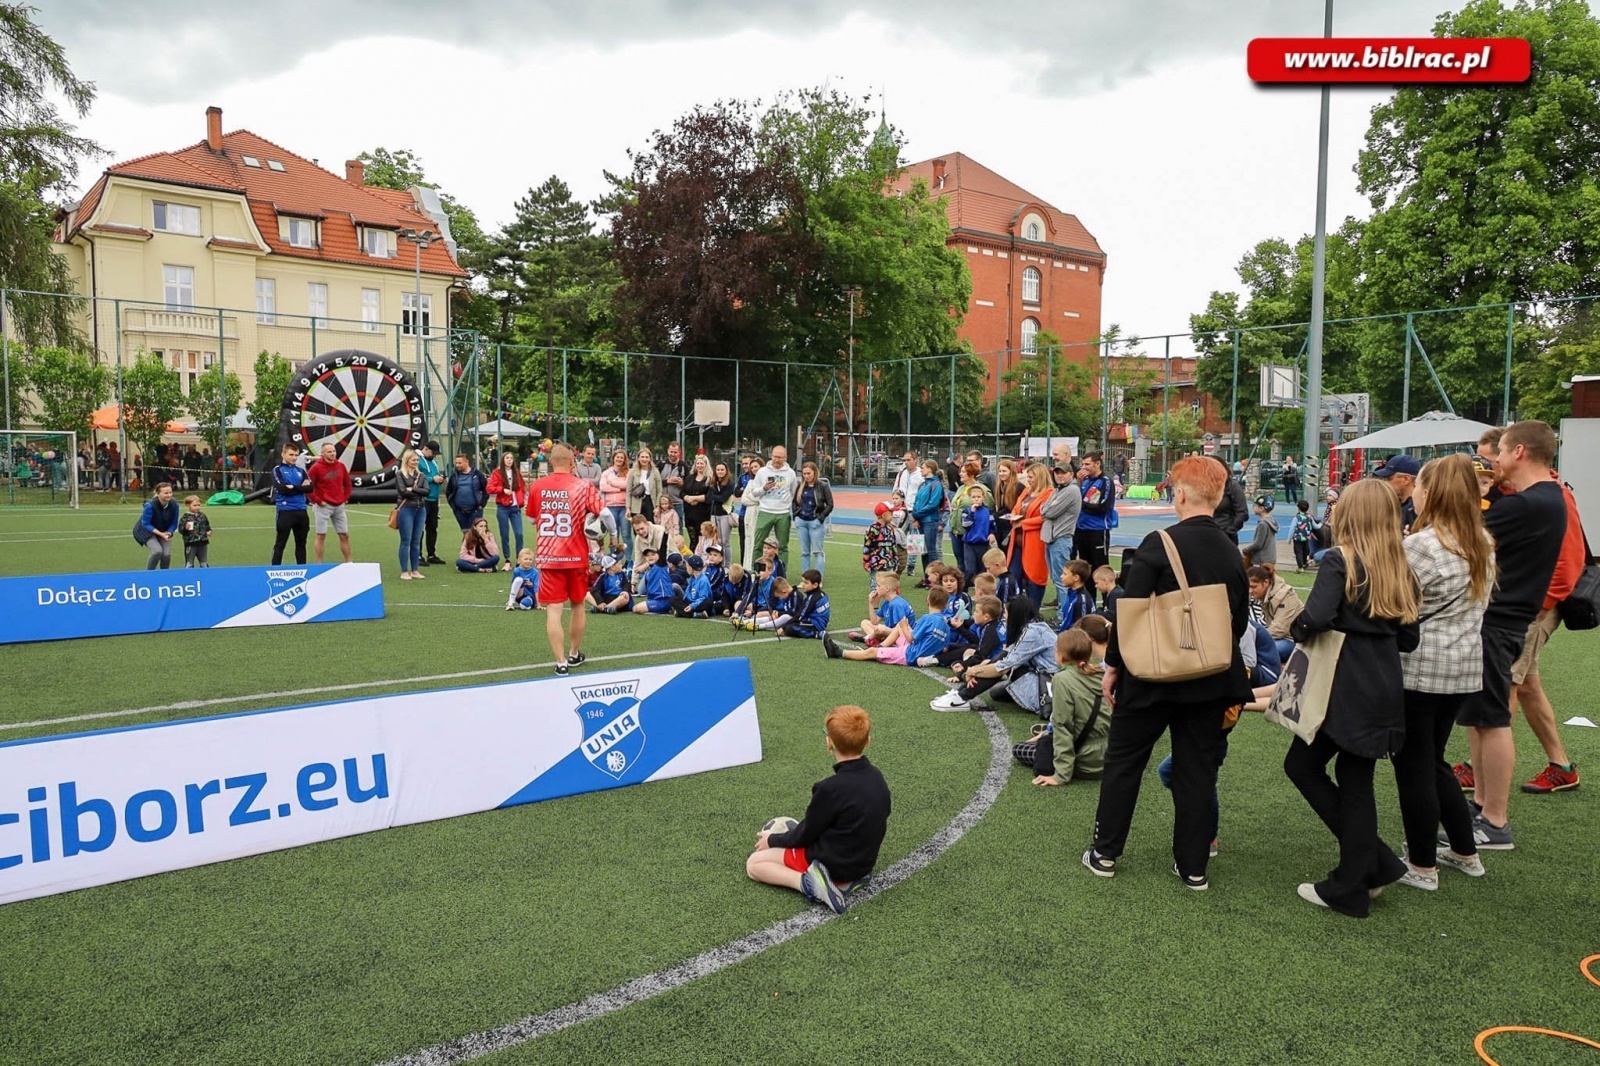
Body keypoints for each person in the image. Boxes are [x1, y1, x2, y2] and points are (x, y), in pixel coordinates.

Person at [1083, 455, 1252, 892]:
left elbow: (1130, 611)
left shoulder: (1159, 542)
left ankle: (1105, 852)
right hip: (1211, 675)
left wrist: (1114, 665)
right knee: (1197, 771)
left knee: (1124, 763)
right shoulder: (1232, 551)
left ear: (1179, 493)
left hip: (1152, 673)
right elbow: (1237, 622)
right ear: (1217, 497)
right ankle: (1193, 865)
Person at [1282, 478, 1420, 917]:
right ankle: (1370, 865)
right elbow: (1410, 638)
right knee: (1353, 776)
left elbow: (1316, 617)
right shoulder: (1402, 567)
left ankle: (1355, 880)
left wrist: (1298, 630)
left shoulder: (1342, 560)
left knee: (1305, 766)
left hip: (1343, 678)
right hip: (1382, 680)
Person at [1452, 421, 1568, 850]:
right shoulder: (1546, 498)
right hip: (1504, 619)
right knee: (1481, 719)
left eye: (1498, 452)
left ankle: (1495, 820)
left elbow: (1460, 541)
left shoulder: (1527, 505)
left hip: (1499, 621)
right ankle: (1483, 804)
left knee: (1493, 719)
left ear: (1519, 452)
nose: (1492, 461)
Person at [1388, 455, 1494, 890]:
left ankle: (1422, 864)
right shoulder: (1482, 542)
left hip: (1420, 668)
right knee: (1432, 760)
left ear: (1429, 492)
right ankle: (1464, 851)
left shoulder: (1423, 545)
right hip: (1463, 664)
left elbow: (1396, 603)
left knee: (1414, 764)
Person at [746, 705, 891, 914]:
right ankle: (850, 880)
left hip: (832, 863)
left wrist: (771, 840)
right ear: (867, 741)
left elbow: (804, 835)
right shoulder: (877, 778)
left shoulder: (829, 788)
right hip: (863, 863)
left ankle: (809, 884)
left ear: (829, 742)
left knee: (754, 864)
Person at [526, 442, 606, 675]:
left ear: (551, 461)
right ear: (573, 462)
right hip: (575, 557)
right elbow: (606, 514)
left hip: (549, 557)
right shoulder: (582, 486)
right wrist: (611, 536)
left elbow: (532, 519)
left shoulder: (538, 486)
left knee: (554, 609)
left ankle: (560, 662)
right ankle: (573, 653)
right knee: (578, 605)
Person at [929, 594, 1057, 714]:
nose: (1004, 617)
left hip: (1049, 690)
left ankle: (961, 697)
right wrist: (981, 668)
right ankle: (960, 692)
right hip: (1046, 680)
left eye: (1006, 613)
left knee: (1005, 665)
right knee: (996, 692)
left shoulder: (1032, 633)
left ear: (1015, 615)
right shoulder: (1033, 627)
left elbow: (1003, 666)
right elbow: (1004, 656)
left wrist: (973, 671)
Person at [1022, 628, 1109, 787]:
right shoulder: (1100, 672)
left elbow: (1063, 725)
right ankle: (1047, 730)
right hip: (1110, 757)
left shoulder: (1062, 679)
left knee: (1020, 749)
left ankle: (1047, 732)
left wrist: (1061, 775)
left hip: (1086, 761)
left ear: (1060, 655)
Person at [825, 587, 950, 666]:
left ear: (927, 600)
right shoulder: (946, 624)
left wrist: (905, 626)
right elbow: (944, 648)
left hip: (910, 654)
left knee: (872, 652)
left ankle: (838, 652)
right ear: (945, 605)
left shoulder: (927, 619)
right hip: (919, 651)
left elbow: (911, 639)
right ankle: (881, 645)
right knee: (898, 628)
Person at [745, 446, 799, 573]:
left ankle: (781, 572)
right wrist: (764, 488)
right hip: (765, 511)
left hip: (783, 513)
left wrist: (792, 511)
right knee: (758, 544)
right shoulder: (762, 472)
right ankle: (757, 571)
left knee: (783, 546)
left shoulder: (790, 473)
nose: (776, 459)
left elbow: (794, 493)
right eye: (774, 456)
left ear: (785, 458)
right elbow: (754, 492)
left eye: (779, 457)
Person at [1007, 463, 1054, 607]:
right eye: (1027, 476)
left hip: (1035, 541)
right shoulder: (1026, 492)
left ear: (1040, 477)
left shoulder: (1049, 494)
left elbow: (1046, 516)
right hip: (1017, 541)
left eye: (1031, 477)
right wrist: (1014, 516)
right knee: (1014, 575)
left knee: (1034, 576)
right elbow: (1016, 508)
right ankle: (1015, 608)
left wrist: (1024, 523)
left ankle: (1034, 610)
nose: (1028, 480)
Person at [1041, 461, 1082, 609]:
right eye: (1057, 473)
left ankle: (1063, 615)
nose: (1059, 476)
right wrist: (1047, 509)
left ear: (1071, 474)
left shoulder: (1071, 490)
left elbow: (1049, 512)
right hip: (1053, 539)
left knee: (1062, 580)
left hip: (1061, 539)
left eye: (1063, 473)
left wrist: (1047, 509)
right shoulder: (1058, 490)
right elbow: (1044, 509)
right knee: (1057, 578)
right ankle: (1062, 611)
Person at [306, 442, 354, 564]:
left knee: (344, 535)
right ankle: (319, 564)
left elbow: (347, 484)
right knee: (321, 535)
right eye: (329, 451)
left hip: (339, 506)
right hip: (323, 506)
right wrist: (318, 501)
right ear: (322, 454)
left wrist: (346, 497)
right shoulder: (316, 468)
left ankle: (349, 562)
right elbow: (308, 487)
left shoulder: (341, 466)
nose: (332, 454)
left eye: (333, 451)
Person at [1248, 563, 1303, 663]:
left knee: (1260, 651)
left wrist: (1254, 641)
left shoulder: (1286, 595)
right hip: (1273, 636)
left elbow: (1279, 629)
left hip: (1292, 640)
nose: (1250, 591)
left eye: (1253, 587)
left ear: (1266, 583)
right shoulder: (1260, 595)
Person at [270, 443, 314, 565]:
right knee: (280, 544)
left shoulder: (300, 470)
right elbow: (282, 488)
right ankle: (274, 570)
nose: (294, 458)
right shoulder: (277, 470)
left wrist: (293, 487)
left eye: (296, 455)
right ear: (283, 454)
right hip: (285, 511)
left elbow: (310, 488)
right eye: (291, 455)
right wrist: (300, 487)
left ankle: (302, 569)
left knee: (301, 544)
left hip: (301, 511)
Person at [790, 460, 834, 577]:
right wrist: (796, 515)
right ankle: (806, 578)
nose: (806, 476)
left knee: (818, 552)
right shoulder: (801, 486)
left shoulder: (822, 486)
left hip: (815, 522)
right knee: (804, 553)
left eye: (808, 473)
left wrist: (820, 518)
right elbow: (795, 501)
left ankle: (817, 579)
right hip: (802, 521)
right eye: (804, 474)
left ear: (814, 472)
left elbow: (830, 504)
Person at [486, 449, 527, 571]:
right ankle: (507, 559)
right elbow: (489, 488)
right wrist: (502, 490)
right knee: (505, 534)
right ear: (503, 460)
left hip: (515, 508)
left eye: (511, 458)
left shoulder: (516, 472)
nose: (509, 460)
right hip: (503, 507)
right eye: (507, 458)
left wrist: (521, 498)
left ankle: (519, 560)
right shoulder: (497, 473)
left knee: (519, 534)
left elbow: (522, 487)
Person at [1074, 453, 1114, 570]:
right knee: (1085, 569)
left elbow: (1103, 507)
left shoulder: (1105, 481)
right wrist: (1079, 483)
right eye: (1082, 464)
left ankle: (1107, 589)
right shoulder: (1084, 481)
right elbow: (1075, 501)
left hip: (1097, 530)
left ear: (1097, 464)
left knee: (1100, 569)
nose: (1083, 467)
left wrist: (1081, 504)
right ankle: (1088, 589)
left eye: (1087, 464)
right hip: (1081, 530)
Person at [394, 449, 430, 580]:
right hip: (406, 509)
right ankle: (404, 570)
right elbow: (403, 492)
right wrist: (417, 492)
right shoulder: (400, 474)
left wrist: (413, 489)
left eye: (417, 460)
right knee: (406, 540)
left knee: (416, 541)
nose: (416, 462)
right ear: (407, 461)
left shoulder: (421, 475)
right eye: (413, 460)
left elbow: (427, 491)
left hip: (420, 509)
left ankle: (415, 570)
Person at [135, 482, 180, 570]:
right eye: (166, 493)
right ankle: (149, 574)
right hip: (146, 531)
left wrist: (169, 532)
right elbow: (146, 524)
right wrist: (161, 534)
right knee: (157, 551)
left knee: (166, 554)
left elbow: (174, 523)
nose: (169, 495)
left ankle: (164, 575)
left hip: (163, 529)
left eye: (170, 492)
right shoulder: (150, 506)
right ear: (158, 493)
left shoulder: (175, 505)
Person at [417, 441, 447, 566]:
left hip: (434, 499)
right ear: (426, 449)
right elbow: (417, 477)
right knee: (420, 529)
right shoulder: (418, 461)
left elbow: (433, 474)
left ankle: (431, 554)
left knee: (432, 528)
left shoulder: (433, 462)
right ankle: (418, 555)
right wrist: (432, 479)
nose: (434, 455)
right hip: (423, 499)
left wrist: (439, 478)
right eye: (433, 453)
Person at [1374, 454, 1421, 532]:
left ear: (1406, 479)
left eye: (1389, 478)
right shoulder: (1397, 504)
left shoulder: (1416, 508)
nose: (1385, 483)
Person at [1209, 455, 1250, 544]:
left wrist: (1229, 530)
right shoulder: (1204, 487)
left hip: (1225, 535)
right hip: (1206, 535)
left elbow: (1243, 512)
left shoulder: (1232, 486)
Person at [600, 448, 632, 558]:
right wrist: (619, 488)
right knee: (614, 534)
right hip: (610, 507)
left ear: (624, 460)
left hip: (624, 507)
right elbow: (603, 487)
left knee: (626, 534)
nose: (619, 459)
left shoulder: (628, 472)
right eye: (617, 457)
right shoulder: (606, 472)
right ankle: (615, 559)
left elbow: (627, 485)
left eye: (622, 458)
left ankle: (628, 560)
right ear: (613, 458)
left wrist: (613, 483)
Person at [445, 454, 488, 533]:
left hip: (475, 510)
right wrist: (453, 506)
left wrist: (482, 504)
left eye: (459, 463)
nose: (457, 465)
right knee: (466, 534)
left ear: (466, 462)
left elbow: (486, 490)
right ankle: (466, 545)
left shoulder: (477, 475)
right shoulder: (454, 476)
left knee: (476, 534)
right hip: (459, 511)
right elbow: (448, 492)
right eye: (456, 463)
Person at [626, 446, 664, 536]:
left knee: (650, 528)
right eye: (642, 457)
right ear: (638, 458)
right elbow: (628, 491)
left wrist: (658, 506)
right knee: (638, 529)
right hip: (636, 503)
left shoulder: (655, 472)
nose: (644, 459)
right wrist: (628, 508)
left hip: (650, 502)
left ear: (650, 458)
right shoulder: (633, 472)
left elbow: (659, 490)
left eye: (646, 457)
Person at [682, 453, 714, 542]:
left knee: (703, 540)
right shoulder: (689, 478)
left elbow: (709, 496)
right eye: (698, 463)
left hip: (703, 514)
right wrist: (686, 498)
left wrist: (694, 498)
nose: (699, 466)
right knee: (693, 540)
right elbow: (682, 492)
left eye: (702, 464)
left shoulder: (710, 479)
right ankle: (693, 556)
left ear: (706, 465)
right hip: (689, 514)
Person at [1055, 560, 1095, 631]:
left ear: (1076, 578)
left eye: (1065, 574)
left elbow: (1082, 630)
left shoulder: (1081, 601)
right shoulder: (1072, 593)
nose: (1061, 576)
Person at [1241, 495, 1278, 568]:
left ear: (1261, 508)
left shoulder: (1263, 524)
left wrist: (1245, 550)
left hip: (1262, 560)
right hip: (1270, 558)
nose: (1254, 507)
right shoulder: (1272, 521)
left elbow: (1258, 544)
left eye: (1255, 505)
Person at [707, 461, 737, 550]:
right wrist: (715, 497)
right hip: (714, 514)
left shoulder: (730, 484)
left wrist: (713, 497)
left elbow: (723, 498)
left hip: (725, 514)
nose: (720, 471)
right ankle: (718, 561)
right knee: (715, 539)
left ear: (726, 471)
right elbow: (708, 498)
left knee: (724, 541)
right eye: (718, 470)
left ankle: (727, 564)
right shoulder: (713, 482)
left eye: (722, 470)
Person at [177, 494, 212, 568]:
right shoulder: (185, 517)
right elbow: (180, 529)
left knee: (203, 561)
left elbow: (206, 524)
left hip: (203, 541)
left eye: (199, 505)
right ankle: (189, 575)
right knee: (190, 562)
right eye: (195, 505)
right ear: (188, 505)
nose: (197, 507)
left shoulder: (202, 515)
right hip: (191, 542)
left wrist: (208, 530)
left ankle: (206, 574)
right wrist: (185, 528)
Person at [659, 441, 687, 532]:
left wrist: (682, 484)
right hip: (662, 503)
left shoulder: (683, 466)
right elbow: (655, 482)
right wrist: (667, 481)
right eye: (671, 452)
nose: (673, 454)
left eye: (675, 452)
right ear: (668, 451)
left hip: (677, 502)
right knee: (662, 530)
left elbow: (689, 484)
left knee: (677, 530)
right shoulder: (661, 464)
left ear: (679, 452)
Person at [1290, 499, 1317, 571]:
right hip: (1306, 537)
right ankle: (1304, 562)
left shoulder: (1296, 518)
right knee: (1306, 551)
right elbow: (1315, 526)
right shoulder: (1309, 517)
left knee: (1298, 552)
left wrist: (1289, 539)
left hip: (1297, 538)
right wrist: (1321, 525)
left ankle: (1300, 566)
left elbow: (1292, 529)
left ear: (1298, 508)